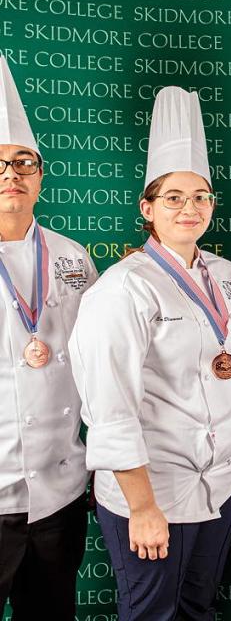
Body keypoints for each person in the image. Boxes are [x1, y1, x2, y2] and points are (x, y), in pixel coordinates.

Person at [69, 86, 231, 620]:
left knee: (199, 608)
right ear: (147, 207)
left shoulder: (230, 279)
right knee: (151, 613)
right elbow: (110, 408)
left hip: (221, 484)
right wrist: (142, 508)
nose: (189, 208)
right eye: (173, 197)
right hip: (152, 489)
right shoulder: (122, 289)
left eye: (200, 196)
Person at [0, 56, 98, 619]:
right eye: (0, 164)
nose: (11, 173)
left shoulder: (71, 257)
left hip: (60, 491)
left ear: (40, 175)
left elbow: (93, 358)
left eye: (23, 163)